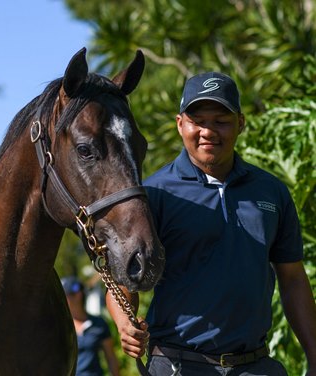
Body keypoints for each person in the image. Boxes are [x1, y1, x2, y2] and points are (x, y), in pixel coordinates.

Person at [106, 72, 316, 375]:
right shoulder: (154, 195)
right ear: (180, 124)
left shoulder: (271, 192)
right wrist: (124, 323)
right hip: (178, 365)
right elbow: (124, 282)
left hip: (255, 365)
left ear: (240, 124)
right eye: (198, 120)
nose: (208, 131)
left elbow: (293, 277)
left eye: (221, 120)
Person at [62, 276, 121, 376]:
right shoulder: (61, 328)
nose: (64, 299)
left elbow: (111, 358)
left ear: (79, 294)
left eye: (68, 295)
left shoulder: (99, 324)